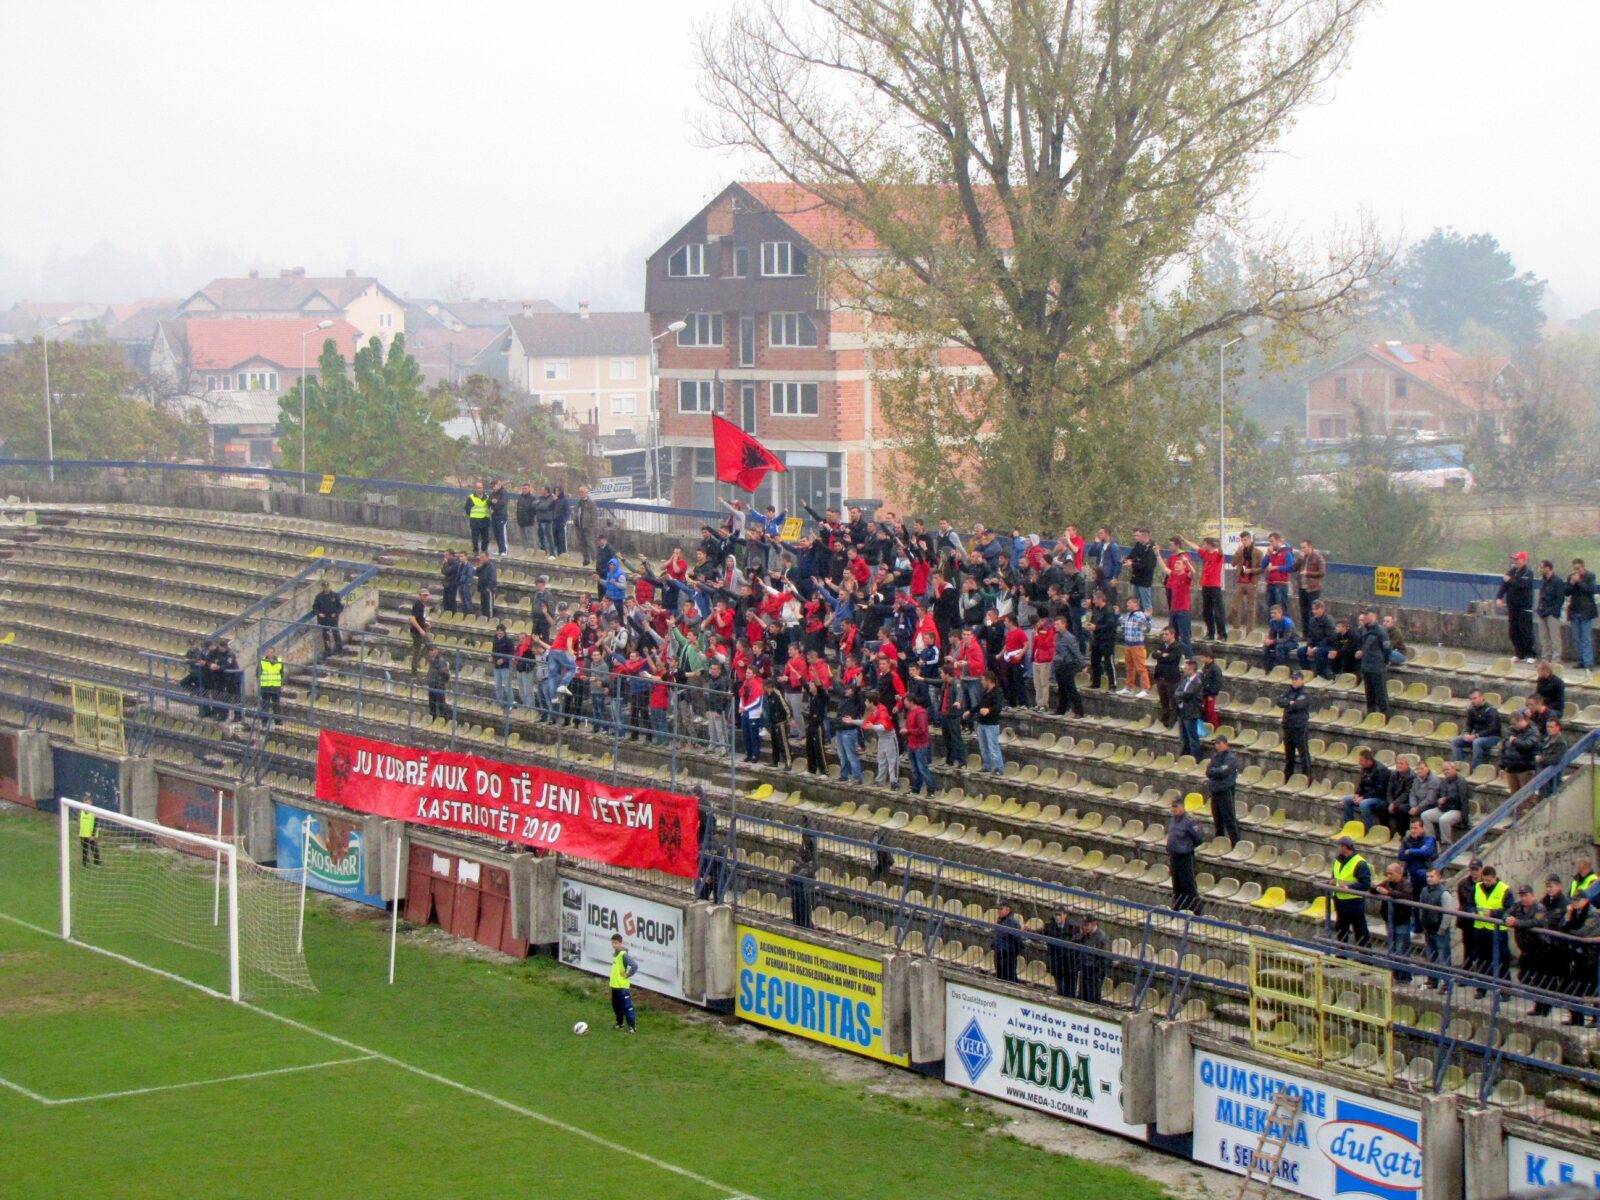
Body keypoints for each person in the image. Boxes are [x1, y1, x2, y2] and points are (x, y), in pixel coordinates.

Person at [1473, 865, 1511, 993]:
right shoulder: (1477, 887)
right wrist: (1472, 912)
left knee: (1502, 961)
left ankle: (1505, 990)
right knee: (1482, 961)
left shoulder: (1504, 889)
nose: (1486, 883)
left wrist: (1493, 913)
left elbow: (1510, 910)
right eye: (1484, 880)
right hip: (1481, 929)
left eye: (1489, 880)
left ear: (1495, 878)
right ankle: (1482, 988)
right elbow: (1469, 904)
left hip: (1498, 932)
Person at [1373, 862, 1413, 982]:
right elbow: (1375, 889)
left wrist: (1388, 893)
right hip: (1389, 920)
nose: (1388, 876)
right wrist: (1375, 888)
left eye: (1391, 873)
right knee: (1392, 949)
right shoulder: (1387, 883)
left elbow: (1407, 896)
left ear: (1399, 873)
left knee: (1401, 950)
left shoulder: (1406, 884)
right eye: (1387, 873)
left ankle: (1404, 978)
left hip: (1402, 921)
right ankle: (1395, 976)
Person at [1330, 836, 1372, 947]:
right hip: (1339, 900)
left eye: (1339, 846)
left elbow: (1365, 884)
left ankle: (1366, 959)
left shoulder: (1359, 863)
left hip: (1353, 902)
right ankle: (1341, 956)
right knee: (1341, 930)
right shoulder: (1338, 860)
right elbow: (1335, 877)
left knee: (1360, 931)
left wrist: (1349, 888)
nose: (1338, 848)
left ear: (1345, 847)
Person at [1166, 797, 1206, 913]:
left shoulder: (1190, 821)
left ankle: (1196, 911)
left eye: (1176, 806)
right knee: (1177, 886)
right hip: (1174, 857)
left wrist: (1186, 847)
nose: (1173, 809)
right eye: (1172, 806)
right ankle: (1178, 909)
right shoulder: (1173, 820)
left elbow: (1198, 838)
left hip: (1185, 857)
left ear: (1183, 807)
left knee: (1188, 886)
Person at [1496, 551, 1537, 662]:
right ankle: (1520, 654)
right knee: (1513, 632)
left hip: (1524, 607)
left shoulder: (1528, 573)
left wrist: (1510, 580)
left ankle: (1530, 655)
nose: (1515, 562)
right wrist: (1499, 597)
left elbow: (1521, 585)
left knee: (1526, 631)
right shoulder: (1512, 571)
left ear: (1524, 561)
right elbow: (1504, 585)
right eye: (1514, 559)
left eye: (1517, 559)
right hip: (1513, 607)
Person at [1339, 748, 1391, 830]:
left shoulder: (1381, 770)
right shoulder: (1365, 768)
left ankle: (1370, 830)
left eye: (1361, 760)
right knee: (1346, 800)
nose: (1359, 762)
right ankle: (1349, 826)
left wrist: (1363, 797)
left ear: (1368, 760)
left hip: (1379, 798)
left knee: (1364, 804)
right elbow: (1362, 784)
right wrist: (1357, 794)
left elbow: (1379, 790)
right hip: (1366, 796)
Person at [1450, 690, 1502, 768]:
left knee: (1477, 742)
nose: (1472, 701)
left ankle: (1476, 768)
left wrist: (1476, 735)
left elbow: (1493, 728)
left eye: (1474, 698)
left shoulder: (1491, 711)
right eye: (1471, 699)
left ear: (1482, 698)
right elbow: (1469, 725)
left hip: (1492, 737)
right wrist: (1467, 733)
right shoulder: (1472, 710)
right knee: (1456, 741)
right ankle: (1460, 766)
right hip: (1476, 736)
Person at [1353, 608, 1390, 716]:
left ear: (1374, 615)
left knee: (1381, 696)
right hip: (1366, 667)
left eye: (1367, 614)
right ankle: (1371, 716)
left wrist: (1384, 661)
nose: (1364, 617)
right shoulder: (1364, 630)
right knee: (1369, 697)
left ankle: (1385, 718)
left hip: (1377, 668)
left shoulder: (1380, 631)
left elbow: (1387, 649)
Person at [1416, 868, 1450, 985]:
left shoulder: (1444, 893)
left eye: (1432, 876)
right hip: (1428, 928)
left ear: (1439, 877)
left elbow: (1448, 913)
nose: (1429, 879)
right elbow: (1421, 908)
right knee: (1431, 956)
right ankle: (1432, 980)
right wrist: (1422, 922)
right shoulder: (1424, 890)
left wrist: (1442, 928)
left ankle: (1447, 983)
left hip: (1439, 930)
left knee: (1443, 957)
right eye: (1428, 876)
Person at [1205, 736, 1240, 845]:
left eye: (1219, 743)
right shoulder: (1216, 757)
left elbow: (1223, 772)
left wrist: (1215, 771)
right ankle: (1219, 843)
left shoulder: (1231, 758)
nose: (1217, 745)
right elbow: (1208, 772)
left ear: (1225, 743)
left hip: (1225, 791)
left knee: (1229, 819)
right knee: (1217, 820)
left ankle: (1236, 843)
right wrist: (1216, 771)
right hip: (1215, 791)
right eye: (1216, 743)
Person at [1050, 614, 1085, 718]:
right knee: (1061, 689)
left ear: (1064, 624)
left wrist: (1083, 664)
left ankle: (1079, 711)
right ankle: (1061, 709)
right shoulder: (1056, 636)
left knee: (1071, 689)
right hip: (1058, 665)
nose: (1055, 626)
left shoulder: (1070, 637)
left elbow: (1076, 652)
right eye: (1055, 624)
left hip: (1067, 665)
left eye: (1058, 624)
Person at [1278, 670, 1312, 777]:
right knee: (1289, 754)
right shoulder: (1288, 691)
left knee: (1304, 753)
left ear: (1302, 680)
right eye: (1293, 679)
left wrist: (1288, 703)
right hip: (1288, 726)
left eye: (1296, 679)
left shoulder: (1305, 693)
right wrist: (1289, 702)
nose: (1294, 681)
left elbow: (1297, 705)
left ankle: (1307, 776)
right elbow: (1279, 701)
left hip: (1299, 727)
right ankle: (1288, 776)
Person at [1230, 531, 1263, 637]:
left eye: (1245, 540)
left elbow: (1262, 568)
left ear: (1250, 540)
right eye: (1242, 540)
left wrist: (1251, 570)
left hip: (1251, 582)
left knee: (1250, 608)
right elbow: (1233, 563)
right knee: (1234, 607)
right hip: (1240, 581)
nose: (1244, 542)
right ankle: (1236, 628)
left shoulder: (1257, 552)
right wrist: (1238, 552)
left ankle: (1249, 632)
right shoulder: (1241, 551)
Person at [1116, 597, 1151, 698]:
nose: (1127, 604)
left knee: (1141, 668)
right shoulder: (1128, 615)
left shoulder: (1138, 614)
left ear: (1136, 604)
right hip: (1128, 644)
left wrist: (1147, 616)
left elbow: (1144, 621)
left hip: (1137, 644)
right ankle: (1129, 687)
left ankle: (1146, 688)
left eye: (1129, 603)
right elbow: (1123, 622)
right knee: (1129, 667)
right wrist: (1117, 614)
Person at [833, 681, 865, 783]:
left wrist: (858, 686)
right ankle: (844, 775)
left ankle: (857, 777)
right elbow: (837, 687)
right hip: (840, 730)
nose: (847, 691)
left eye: (849, 689)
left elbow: (857, 693)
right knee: (842, 755)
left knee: (851, 755)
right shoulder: (843, 700)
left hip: (849, 731)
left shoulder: (856, 700)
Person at [1567, 557, 1597, 669]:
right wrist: (1571, 583)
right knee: (1576, 637)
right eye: (1575, 569)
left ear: (1583, 567)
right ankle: (1580, 660)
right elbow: (1566, 592)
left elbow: (1590, 590)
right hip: (1575, 610)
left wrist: (1579, 581)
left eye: (1578, 568)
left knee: (1586, 638)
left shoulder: (1590, 576)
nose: (1576, 571)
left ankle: (1588, 662)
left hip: (1586, 611)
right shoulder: (1571, 577)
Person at [1043, 909, 1079, 999]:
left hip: (1070, 963)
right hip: (1057, 961)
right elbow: (1041, 933)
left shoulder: (1074, 927)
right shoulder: (1049, 926)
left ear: (1065, 915)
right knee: (1060, 990)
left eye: (1059, 915)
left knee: (1070, 991)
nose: (1057, 917)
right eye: (1056, 915)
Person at [974, 672, 1005, 774]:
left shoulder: (997, 692)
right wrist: (970, 711)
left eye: (983, 680)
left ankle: (999, 768)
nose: (982, 682)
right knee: (983, 748)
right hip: (982, 722)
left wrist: (989, 710)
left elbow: (998, 706)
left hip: (991, 724)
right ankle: (987, 765)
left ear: (988, 680)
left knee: (993, 747)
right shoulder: (985, 691)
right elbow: (980, 705)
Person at [1536, 559, 1566, 662]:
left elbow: (1560, 598)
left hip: (1552, 612)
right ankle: (1545, 657)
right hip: (1542, 611)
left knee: (1554, 637)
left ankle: (1556, 658)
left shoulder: (1557, 581)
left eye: (1542, 567)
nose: (1540, 569)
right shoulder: (1544, 580)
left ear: (1548, 568)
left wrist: (1554, 611)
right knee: (1544, 638)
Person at [1175, 659, 1206, 760]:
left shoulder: (1197, 682)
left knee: (1193, 739)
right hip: (1182, 712)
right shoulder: (1185, 679)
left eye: (1186, 669)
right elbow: (1177, 691)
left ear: (1191, 670)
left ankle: (1196, 759)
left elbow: (1187, 694)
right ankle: (1185, 757)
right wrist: (1179, 695)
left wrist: (1179, 695)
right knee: (1184, 738)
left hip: (1191, 713)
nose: (1183, 670)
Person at [904, 693, 934, 795]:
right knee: (914, 769)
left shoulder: (921, 712)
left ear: (911, 701)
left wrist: (908, 731)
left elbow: (922, 730)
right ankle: (916, 789)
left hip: (920, 745)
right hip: (911, 744)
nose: (904, 703)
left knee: (922, 768)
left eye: (906, 701)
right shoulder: (910, 712)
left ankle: (931, 790)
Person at [608, 933, 638, 1032]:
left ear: (621, 943)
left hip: (622, 986)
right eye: (612, 943)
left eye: (616, 943)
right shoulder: (615, 954)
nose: (614, 945)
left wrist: (627, 974)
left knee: (627, 1006)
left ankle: (632, 1027)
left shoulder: (623, 955)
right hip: (614, 985)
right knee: (616, 1006)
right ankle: (620, 1023)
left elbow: (634, 965)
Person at [1294, 538, 1325, 633]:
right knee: (1303, 612)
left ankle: (1313, 634)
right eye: (1301, 548)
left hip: (1313, 588)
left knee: (1312, 612)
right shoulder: (1302, 557)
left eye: (1304, 547)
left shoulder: (1317, 557)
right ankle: (1305, 634)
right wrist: (1300, 559)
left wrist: (1308, 573)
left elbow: (1322, 572)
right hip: (1302, 587)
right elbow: (1294, 568)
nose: (1302, 549)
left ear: (1310, 547)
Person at [1075, 915, 1107, 1003]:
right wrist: (1081, 936)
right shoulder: (1085, 934)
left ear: (1093, 924)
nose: (1084, 927)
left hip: (1094, 973)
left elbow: (1103, 959)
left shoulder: (1100, 937)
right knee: (1082, 997)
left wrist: (1094, 969)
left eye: (1086, 925)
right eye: (1083, 925)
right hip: (1084, 970)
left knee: (1092, 998)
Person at [992, 902, 1023, 983]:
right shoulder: (1001, 921)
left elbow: (1017, 938)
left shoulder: (1012, 922)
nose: (998, 911)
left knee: (1008, 976)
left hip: (1007, 954)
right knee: (1000, 975)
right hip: (1000, 951)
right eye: (998, 909)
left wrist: (1011, 951)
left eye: (1000, 909)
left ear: (1007, 910)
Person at [312, 580, 344, 656]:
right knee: (325, 635)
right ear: (323, 587)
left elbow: (341, 607)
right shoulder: (319, 596)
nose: (326, 588)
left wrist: (336, 613)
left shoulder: (335, 595)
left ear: (329, 587)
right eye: (324, 587)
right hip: (324, 618)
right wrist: (318, 613)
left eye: (327, 587)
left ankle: (339, 650)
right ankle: (328, 650)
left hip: (333, 618)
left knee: (336, 633)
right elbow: (315, 607)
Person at [572, 484, 600, 566]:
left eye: (582, 492)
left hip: (588, 527)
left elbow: (594, 516)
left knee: (590, 544)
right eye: (580, 492)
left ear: (586, 493)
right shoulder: (578, 503)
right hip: (579, 526)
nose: (581, 493)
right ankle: (586, 559)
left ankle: (595, 560)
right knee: (582, 544)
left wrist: (591, 526)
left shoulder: (591, 503)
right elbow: (575, 512)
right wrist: (575, 520)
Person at [257, 647, 284, 727]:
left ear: (274, 653)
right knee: (265, 704)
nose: (269, 654)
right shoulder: (262, 661)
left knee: (276, 704)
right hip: (266, 686)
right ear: (266, 653)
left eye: (271, 652)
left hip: (276, 686)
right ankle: (264, 722)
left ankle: (278, 721)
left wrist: (280, 684)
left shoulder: (279, 661)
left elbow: (281, 673)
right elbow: (258, 673)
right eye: (268, 652)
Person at [491, 623, 515, 708]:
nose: (499, 633)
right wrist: (492, 658)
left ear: (504, 632)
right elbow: (493, 651)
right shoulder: (495, 639)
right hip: (496, 666)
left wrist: (503, 659)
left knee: (507, 686)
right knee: (498, 685)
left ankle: (511, 703)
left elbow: (512, 653)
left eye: (501, 632)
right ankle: (499, 702)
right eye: (498, 632)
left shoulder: (508, 640)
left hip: (505, 666)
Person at [789, 854, 816, 930]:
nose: (797, 860)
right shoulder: (796, 868)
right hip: (796, 896)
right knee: (797, 917)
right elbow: (789, 879)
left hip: (803, 897)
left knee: (804, 917)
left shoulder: (808, 870)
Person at [424, 644, 451, 720]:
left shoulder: (440, 661)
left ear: (436, 651)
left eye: (431, 650)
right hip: (432, 684)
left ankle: (445, 719)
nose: (429, 652)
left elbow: (445, 674)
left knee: (441, 704)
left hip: (438, 685)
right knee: (432, 704)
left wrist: (440, 681)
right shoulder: (432, 660)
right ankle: (433, 719)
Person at [464, 481, 491, 555]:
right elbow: (467, 508)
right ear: (476, 488)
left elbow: (490, 507)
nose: (480, 489)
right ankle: (476, 550)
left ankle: (484, 551)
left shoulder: (487, 497)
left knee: (485, 538)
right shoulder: (471, 497)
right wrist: (472, 515)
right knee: (475, 538)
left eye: (482, 488)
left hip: (485, 519)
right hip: (475, 520)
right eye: (479, 488)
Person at [487, 479, 510, 557]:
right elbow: (488, 501)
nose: (492, 488)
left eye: (494, 486)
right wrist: (492, 501)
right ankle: (500, 550)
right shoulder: (493, 493)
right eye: (492, 487)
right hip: (494, 516)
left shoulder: (504, 493)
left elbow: (502, 503)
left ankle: (504, 550)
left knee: (502, 533)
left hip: (501, 515)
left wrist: (495, 507)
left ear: (498, 485)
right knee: (496, 533)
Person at [78, 798, 102, 867]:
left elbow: (96, 824)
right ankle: (84, 863)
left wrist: (93, 835)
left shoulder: (94, 812)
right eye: (85, 802)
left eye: (88, 802)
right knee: (84, 849)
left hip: (91, 835)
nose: (87, 803)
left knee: (94, 848)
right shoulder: (81, 811)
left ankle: (97, 863)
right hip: (83, 834)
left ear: (91, 802)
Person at [515, 484, 538, 551]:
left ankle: (532, 551)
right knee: (523, 538)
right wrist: (518, 518)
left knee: (530, 537)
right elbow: (518, 508)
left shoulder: (532, 498)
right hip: (521, 521)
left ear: (529, 489)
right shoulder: (520, 498)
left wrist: (529, 517)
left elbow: (534, 510)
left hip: (529, 521)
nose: (524, 490)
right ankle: (526, 550)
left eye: (525, 488)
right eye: (523, 488)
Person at [476, 551, 498, 617]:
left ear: (487, 557)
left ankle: (489, 621)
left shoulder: (491, 566)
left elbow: (493, 579)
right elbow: (476, 573)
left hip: (488, 590)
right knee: (483, 607)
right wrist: (479, 567)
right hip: (482, 589)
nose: (481, 559)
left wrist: (488, 588)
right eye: (480, 557)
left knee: (489, 608)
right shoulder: (482, 567)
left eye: (483, 557)